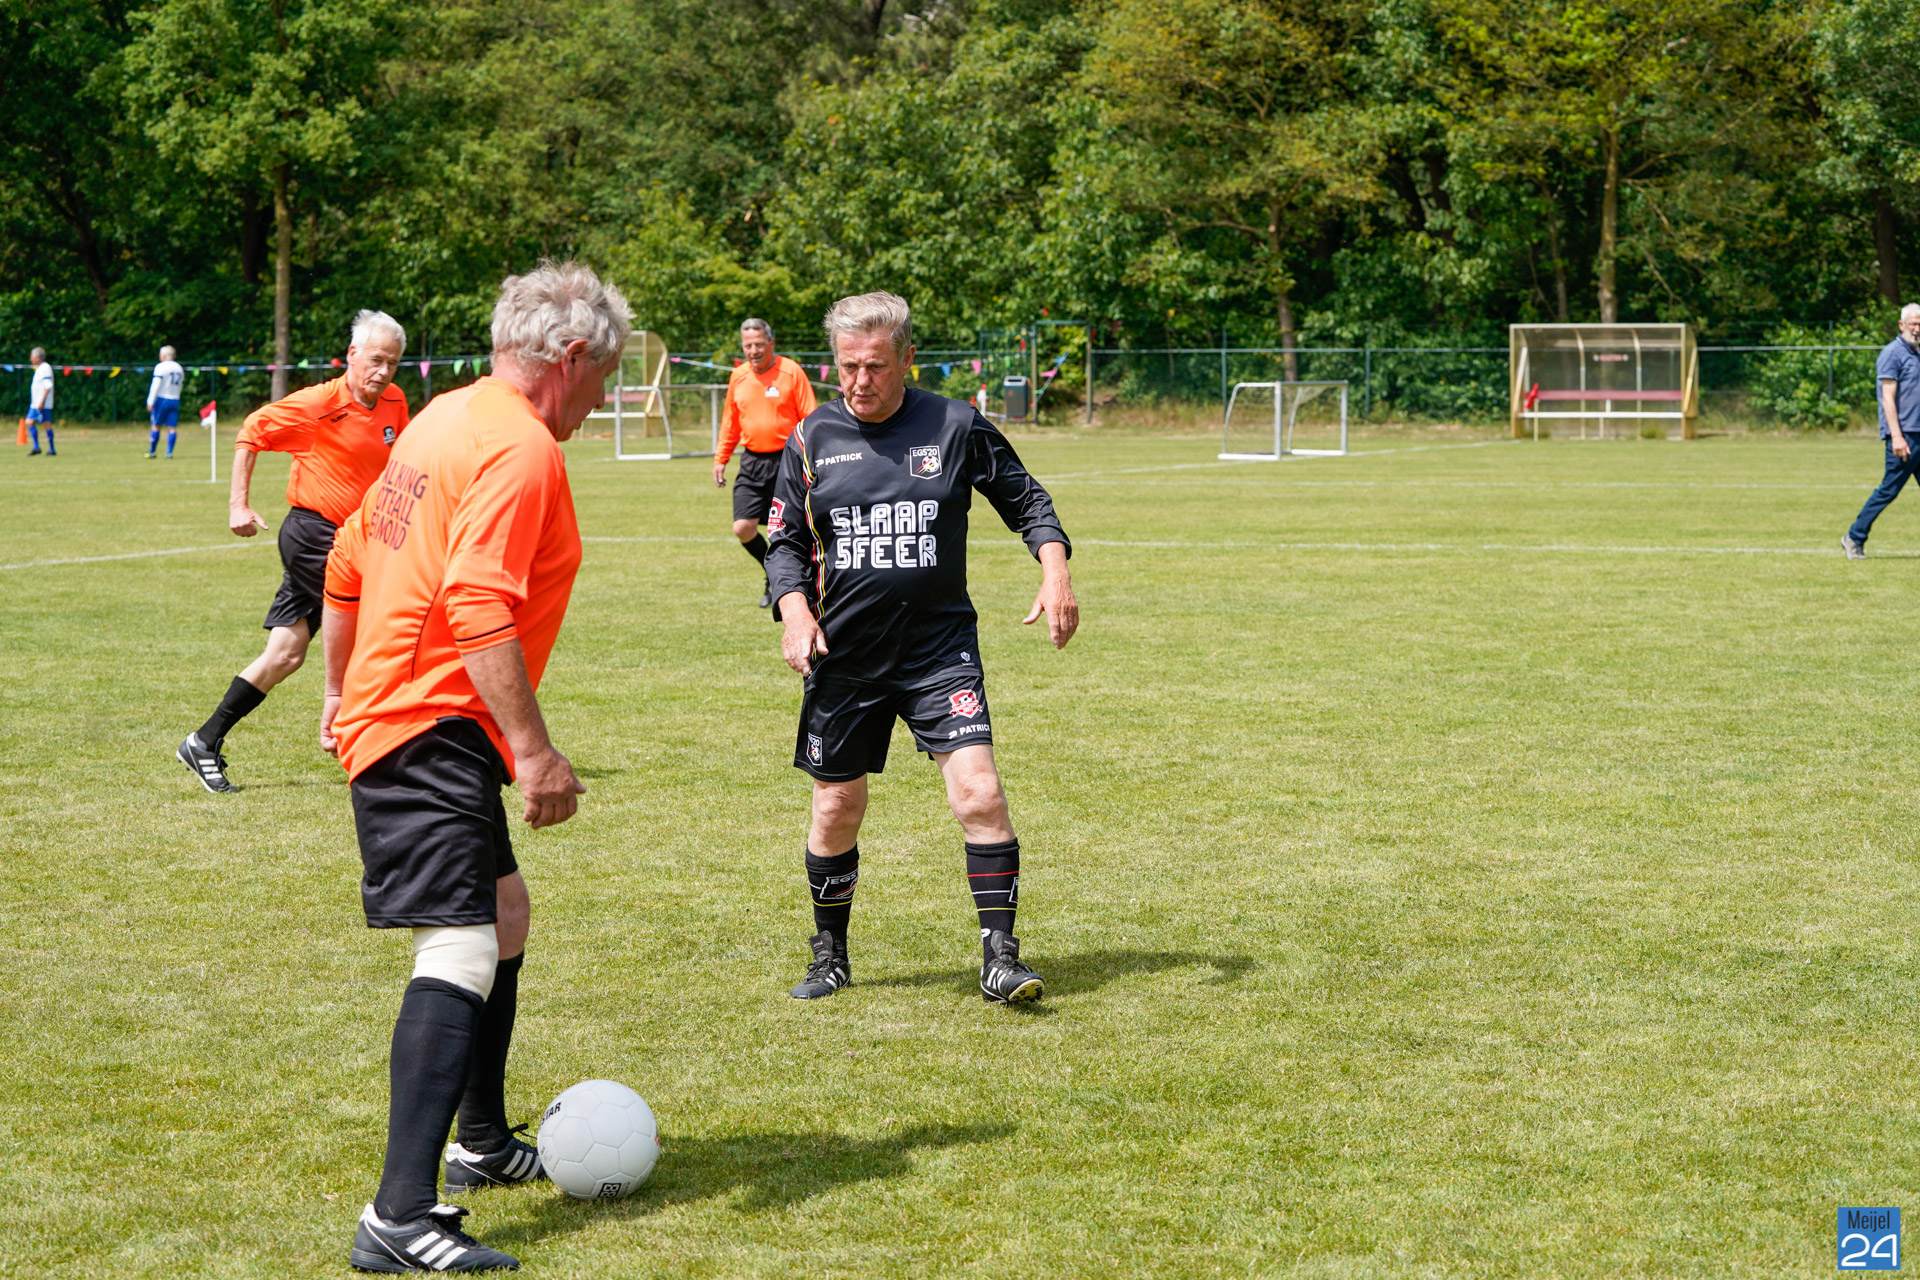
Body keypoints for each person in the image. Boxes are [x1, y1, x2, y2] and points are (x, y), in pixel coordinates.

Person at [323, 261, 624, 1273]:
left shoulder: (443, 417)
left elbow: (349, 558)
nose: (603, 399)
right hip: (430, 721)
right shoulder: (518, 444)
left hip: (417, 712)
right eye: (604, 376)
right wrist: (534, 751)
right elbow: (477, 602)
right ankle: (399, 1216)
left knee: (504, 912)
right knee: (458, 945)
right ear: (570, 357)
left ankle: (482, 1140)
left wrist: (339, 687)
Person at [765, 291, 1079, 1006]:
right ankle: (830, 953)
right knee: (835, 809)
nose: (860, 381)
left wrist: (1055, 571)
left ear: (908, 358)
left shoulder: (955, 424)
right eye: (847, 366)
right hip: (845, 657)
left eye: (875, 366)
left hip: (939, 651)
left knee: (980, 793)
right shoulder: (811, 437)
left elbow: (1028, 501)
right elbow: (783, 543)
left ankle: (1000, 957)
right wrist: (794, 613)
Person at [175, 311, 409, 794]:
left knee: (285, 654)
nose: (383, 371)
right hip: (315, 536)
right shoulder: (317, 404)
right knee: (381, 622)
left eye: (393, 362)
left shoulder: (395, 400)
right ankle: (373, 745)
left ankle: (202, 741)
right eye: (376, 360)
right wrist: (238, 505)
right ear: (352, 355)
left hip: (362, 537)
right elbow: (251, 431)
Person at [712, 318, 816, 606]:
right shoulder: (738, 376)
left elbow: (810, 417)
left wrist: (813, 456)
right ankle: (772, 574)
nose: (753, 350)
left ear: (771, 343)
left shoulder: (791, 372)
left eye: (759, 344)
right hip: (752, 461)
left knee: (791, 528)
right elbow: (730, 422)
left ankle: (799, 586)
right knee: (742, 527)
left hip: (788, 460)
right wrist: (721, 458)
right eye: (748, 345)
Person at [1844, 303, 1920, 558]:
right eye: (1913, 324)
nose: (1917, 329)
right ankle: (1854, 537)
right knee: (1889, 490)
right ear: (1901, 325)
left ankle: (1854, 536)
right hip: (1905, 437)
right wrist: (1896, 436)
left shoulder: (1917, 353)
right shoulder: (1892, 354)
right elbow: (1887, 398)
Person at [147, 346, 186, 459]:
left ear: (163, 356)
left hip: (162, 399)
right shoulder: (179, 368)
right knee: (172, 427)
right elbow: (181, 385)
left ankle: (152, 451)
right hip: (175, 399)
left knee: (155, 426)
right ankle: (169, 452)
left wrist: (150, 401)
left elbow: (156, 385)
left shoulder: (161, 367)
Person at [26, 347, 54, 456]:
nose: (31, 359)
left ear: (37, 357)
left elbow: (48, 386)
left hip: (42, 403)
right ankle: (36, 447)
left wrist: (42, 402)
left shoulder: (45, 368)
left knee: (46, 424)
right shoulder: (39, 368)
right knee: (29, 422)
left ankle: (51, 449)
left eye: (32, 357)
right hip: (35, 403)